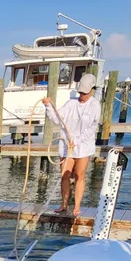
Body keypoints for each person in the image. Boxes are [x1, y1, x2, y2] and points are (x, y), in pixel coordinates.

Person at [42, 73, 101, 217]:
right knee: (64, 175)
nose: (82, 95)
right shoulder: (71, 103)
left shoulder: (95, 105)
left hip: (83, 146)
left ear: (92, 90)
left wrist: (78, 140)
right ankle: (64, 205)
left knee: (79, 175)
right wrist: (48, 106)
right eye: (80, 92)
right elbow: (57, 119)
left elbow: (92, 128)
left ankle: (77, 206)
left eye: (85, 93)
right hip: (67, 145)